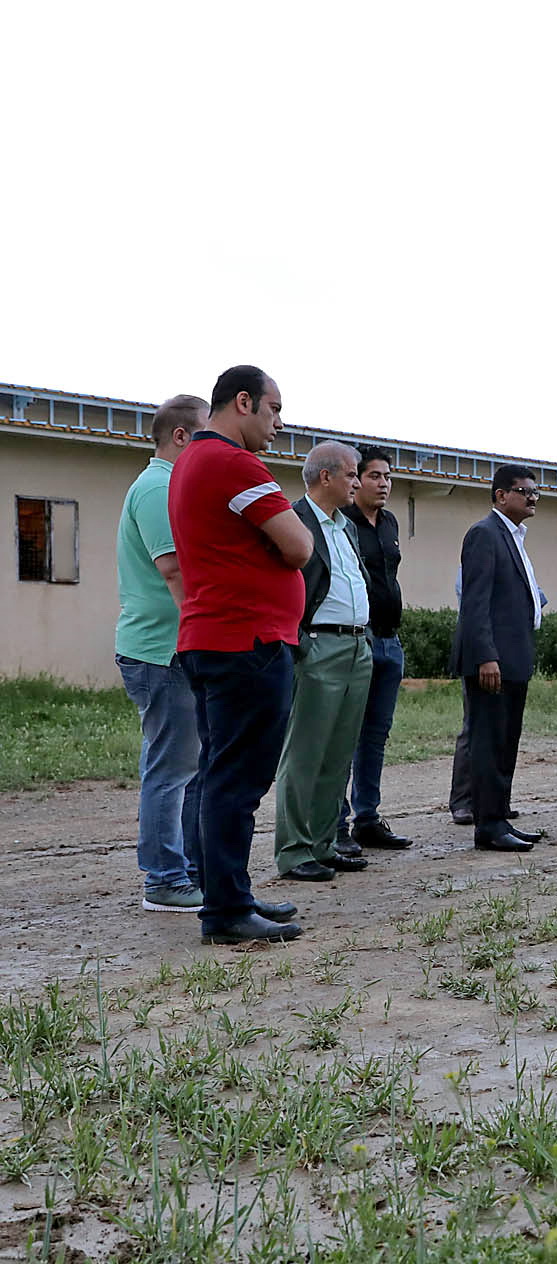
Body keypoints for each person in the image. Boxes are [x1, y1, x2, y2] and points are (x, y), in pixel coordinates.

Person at [169, 365, 312, 943]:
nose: (279, 424)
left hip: (213, 638)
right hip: (246, 641)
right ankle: (225, 912)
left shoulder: (189, 464)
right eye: (275, 410)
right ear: (245, 402)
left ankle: (229, 893)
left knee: (219, 772)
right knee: (237, 779)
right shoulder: (234, 463)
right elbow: (300, 546)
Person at [115, 393, 210, 912]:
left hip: (169, 647)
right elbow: (173, 569)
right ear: (180, 436)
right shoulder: (156, 488)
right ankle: (163, 880)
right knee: (170, 770)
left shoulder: (168, 485)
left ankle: (185, 870)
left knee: (184, 767)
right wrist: (202, 631)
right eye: (202, 434)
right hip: (160, 650)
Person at [272, 443, 375, 883]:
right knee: (305, 752)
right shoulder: (294, 520)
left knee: (338, 753)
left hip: (356, 646)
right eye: (352, 475)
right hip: (317, 645)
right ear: (326, 477)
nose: (357, 483)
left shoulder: (345, 527)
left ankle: (323, 843)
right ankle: (294, 851)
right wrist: (298, 642)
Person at [450, 465, 546, 852]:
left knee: (506, 741)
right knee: (488, 743)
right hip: (494, 663)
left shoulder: (515, 538)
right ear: (501, 495)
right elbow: (475, 603)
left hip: (515, 658)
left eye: (535, 492)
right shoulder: (484, 534)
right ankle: (487, 825)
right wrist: (486, 656)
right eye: (525, 491)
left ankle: (500, 816)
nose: (533, 498)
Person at [334, 445, 415, 855]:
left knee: (375, 735)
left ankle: (368, 817)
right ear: (355, 479)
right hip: (356, 638)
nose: (383, 484)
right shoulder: (340, 522)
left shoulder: (390, 522)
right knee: (346, 732)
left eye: (387, 477)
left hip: (389, 640)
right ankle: (337, 822)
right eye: (374, 476)